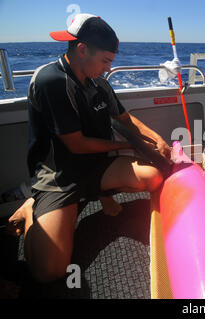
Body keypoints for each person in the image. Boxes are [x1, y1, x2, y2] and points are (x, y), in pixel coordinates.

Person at [7, 13, 172, 282]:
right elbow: (77, 144)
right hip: (59, 176)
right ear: (82, 49)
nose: (108, 69)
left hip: (96, 164)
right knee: (48, 272)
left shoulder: (100, 84)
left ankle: (97, 194)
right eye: (105, 61)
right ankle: (32, 209)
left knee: (152, 177)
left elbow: (125, 119)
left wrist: (156, 140)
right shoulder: (51, 81)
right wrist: (130, 145)